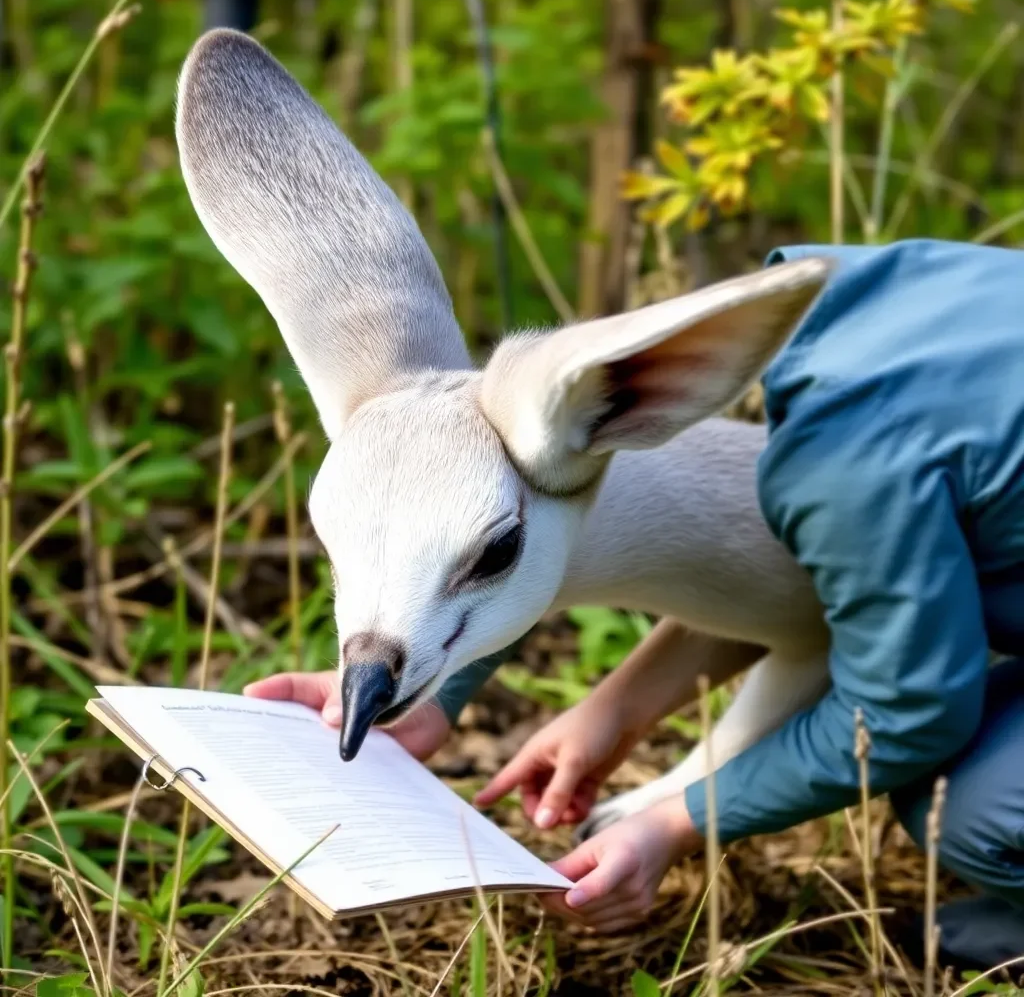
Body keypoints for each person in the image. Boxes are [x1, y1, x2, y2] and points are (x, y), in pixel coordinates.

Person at [246, 239, 1024, 971]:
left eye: (491, 554)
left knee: (969, 813)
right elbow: (825, 586)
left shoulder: (853, 449)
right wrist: (603, 709)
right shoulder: (856, 354)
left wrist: (677, 819)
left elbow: (907, 706)